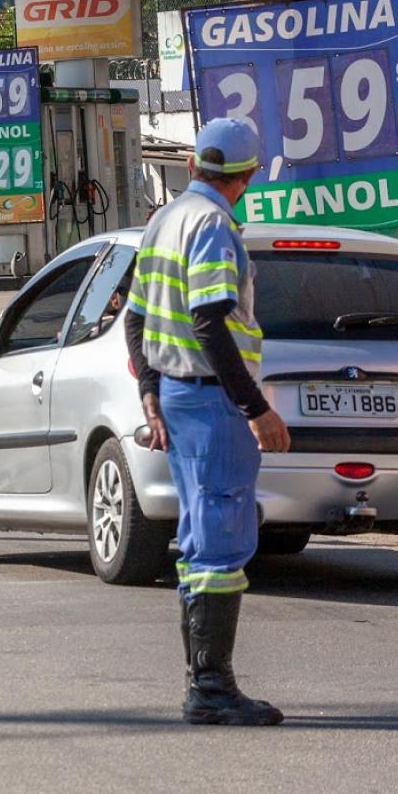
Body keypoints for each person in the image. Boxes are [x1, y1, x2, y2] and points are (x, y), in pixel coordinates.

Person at [124, 118, 291, 727]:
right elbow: (210, 321)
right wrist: (257, 408)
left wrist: (148, 394)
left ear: (193, 167)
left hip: (175, 398)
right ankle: (212, 689)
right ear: (246, 178)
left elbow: (134, 320)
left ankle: (202, 682)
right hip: (213, 403)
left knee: (198, 543)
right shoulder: (214, 227)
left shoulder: (164, 221)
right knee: (222, 541)